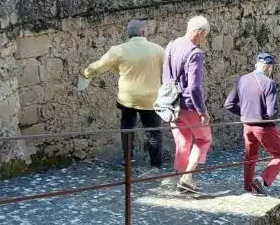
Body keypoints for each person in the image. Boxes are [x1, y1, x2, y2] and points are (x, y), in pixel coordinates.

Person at [81, 19, 164, 172]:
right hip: (151, 99)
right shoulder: (158, 50)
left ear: (128, 35)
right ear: (144, 33)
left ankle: (128, 160)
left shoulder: (118, 50)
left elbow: (99, 66)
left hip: (128, 98)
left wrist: (85, 74)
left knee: (127, 127)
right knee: (153, 132)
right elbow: (166, 71)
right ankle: (156, 165)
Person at [163, 16, 213, 196]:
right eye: (205, 35)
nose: (204, 39)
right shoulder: (195, 53)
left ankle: (180, 178)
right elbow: (194, 87)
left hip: (172, 104)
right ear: (199, 32)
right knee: (203, 139)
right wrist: (202, 111)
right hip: (190, 105)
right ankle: (187, 178)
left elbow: (166, 75)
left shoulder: (171, 45)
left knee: (183, 140)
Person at [224, 53, 280, 195]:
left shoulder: (242, 80)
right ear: (269, 67)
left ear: (256, 65)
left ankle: (247, 188)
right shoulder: (269, 83)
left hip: (247, 124)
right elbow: (272, 112)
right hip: (263, 126)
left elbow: (229, 104)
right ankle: (262, 179)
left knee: (250, 157)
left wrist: (244, 113)